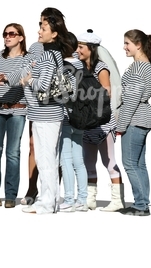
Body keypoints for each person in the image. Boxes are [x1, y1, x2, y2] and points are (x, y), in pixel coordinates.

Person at [20, 7, 74, 214]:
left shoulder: (48, 56)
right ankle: (50, 200)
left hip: (46, 114)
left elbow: (42, 86)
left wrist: (28, 79)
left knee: (45, 158)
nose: (39, 31)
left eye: (43, 27)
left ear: (54, 33)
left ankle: (46, 202)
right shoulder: (55, 55)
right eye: (40, 26)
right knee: (50, 157)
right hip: (50, 113)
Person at [0, 23, 32, 208]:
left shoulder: (29, 58)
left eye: (12, 33)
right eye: (5, 33)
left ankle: (11, 196)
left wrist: (5, 78)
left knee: (13, 154)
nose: (7, 36)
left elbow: (25, 73)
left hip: (17, 110)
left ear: (21, 37)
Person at [76, 29, 125, 212]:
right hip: (87, 124)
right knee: (89, 162)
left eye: (80, 47)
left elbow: (106, 93)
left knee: (109, 162)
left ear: (90, 48)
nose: (77, 50)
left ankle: (117, 200)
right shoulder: (79, 68)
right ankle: (90, 199)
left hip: (103, 124)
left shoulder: (101, 68)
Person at [117, 29, 151, 216]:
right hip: (143, 118)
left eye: (127, 43)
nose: (124, 47)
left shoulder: (137, 67)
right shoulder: (146, 66)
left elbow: (132, 100)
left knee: (130, 163)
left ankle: (141, 205)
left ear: (138, 45)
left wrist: (121, 126)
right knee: (139, 164)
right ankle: (143, 202)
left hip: (135, 119)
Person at [58, 32, 88, 212]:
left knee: (65, 159)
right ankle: (82, 200)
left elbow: (65, 92)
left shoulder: (65, 66)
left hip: (67, 116)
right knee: (79, 160)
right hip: (83, 116)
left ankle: (69, 199)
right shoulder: (83, 65)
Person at [20, 42, 43, 206]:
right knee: (33, 146)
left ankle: (54, 190)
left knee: (56, 150)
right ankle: (31, 188)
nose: (40, 30)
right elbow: (26, 72)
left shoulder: (63, 45)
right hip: (35, 107)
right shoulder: (35, 47)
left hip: (56, 107)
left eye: (44, 26)